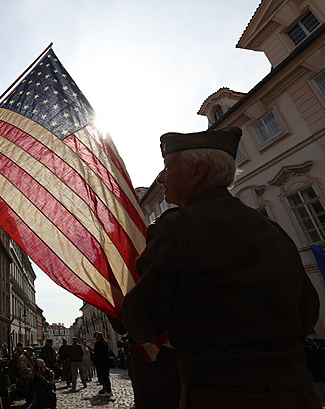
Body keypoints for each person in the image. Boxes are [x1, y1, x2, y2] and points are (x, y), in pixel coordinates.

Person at [122, 127, 320, 409]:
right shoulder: (272, 228)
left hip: (219, 395)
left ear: (197, 172)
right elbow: (307, 312)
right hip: (296, 395)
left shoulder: (176, 227)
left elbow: (141, 321)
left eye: (167, 167)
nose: (161, 178)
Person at [93, 332, 112, 396]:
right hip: (106, 362)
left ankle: (107, 391)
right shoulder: (105, 343)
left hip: (100, 363)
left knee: (103, 377)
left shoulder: (97, 343)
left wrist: (94, 363)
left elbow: (96, 354)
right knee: (106, 377)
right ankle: (107, 389)